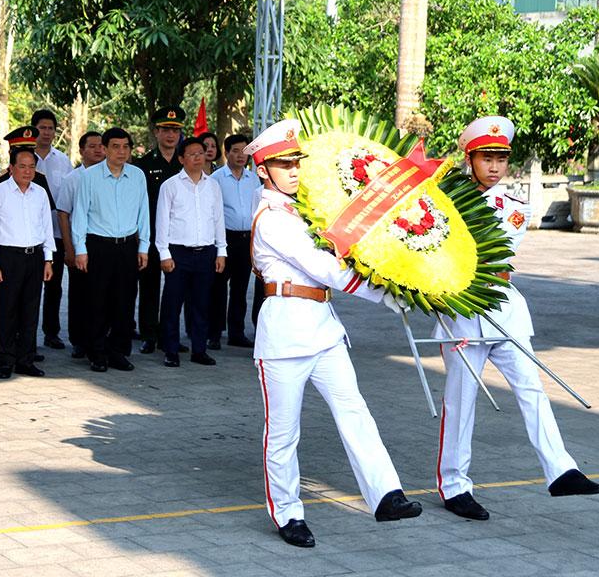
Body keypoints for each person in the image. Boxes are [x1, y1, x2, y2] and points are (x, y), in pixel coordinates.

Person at [247, 119, 422, 548]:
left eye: (296, 163)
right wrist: (384, 291)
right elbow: (324, 267)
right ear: (263, 170)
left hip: (323, 329)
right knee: (283, 433)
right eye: (283, 164)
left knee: (354, 410)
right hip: (285, 332)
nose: (293, 170)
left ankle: (386, 494)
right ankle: (288, 513)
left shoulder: (301, 209)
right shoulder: (273, 219)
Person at [434, 116, 599, 520]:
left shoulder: (512, 207)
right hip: (462, 312)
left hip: (502, 308)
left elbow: (486, 249)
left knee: (531, 388)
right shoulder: (442, 201)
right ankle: (454, 486)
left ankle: (560, 470)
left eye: (501, 159)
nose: (494, 167)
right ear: (469, 159)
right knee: (460, 402)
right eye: (486, 158)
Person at [71, 127, 150, 373]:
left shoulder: (137, 175)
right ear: (104, 149)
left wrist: (144, 246)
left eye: (126, 146)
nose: (121, 152)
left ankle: (118, 351)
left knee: (124, 301)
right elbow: (80, 213)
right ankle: (96, 352)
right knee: (97, 301)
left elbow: (144, 212)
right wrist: (80, 249)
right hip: (98, 245)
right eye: (115, 146)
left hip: (127, 246)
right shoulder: (89, 176)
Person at [0, 136, 55, 379]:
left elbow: (46, 228)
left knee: (30, 310)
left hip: (34, 256)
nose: (27, 171)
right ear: (11, 168)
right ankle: (6, 361)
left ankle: (26, 359)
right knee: (8, 310)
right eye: (22, 166)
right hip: (9, 257)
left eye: (31, 166)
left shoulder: (40, 193)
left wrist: (48, 259)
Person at [156, 136, 226, 367]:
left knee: (201, 304)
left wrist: (221, 251)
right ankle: (170, 350)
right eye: (192, 154)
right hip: (178, 253)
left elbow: (218, 219)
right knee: (172, 304)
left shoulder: (213, 185)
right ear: (181, 159)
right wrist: (164, 253)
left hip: (206, 252)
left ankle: (199, 350)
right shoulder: (170, 186)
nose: (198, 157)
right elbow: (162, 221)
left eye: (201, 153)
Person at [133, 106, 184, 354]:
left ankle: (169, 335)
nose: (171, 135)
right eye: (166, 129)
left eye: (175, 130)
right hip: (152, 234)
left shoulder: (185, 163)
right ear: (156, 132)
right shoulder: (143, 164)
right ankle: (149, 334)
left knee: (176, 289)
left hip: (179, 236)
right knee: (149, 286)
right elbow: (139, 203)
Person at [55, 130, 105, 360]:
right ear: (81, 150)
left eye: (101, 146)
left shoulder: (110, 176)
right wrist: (69, 248)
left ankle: (101, 337)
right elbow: (63, 214)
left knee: (102, 294)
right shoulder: (73, 179)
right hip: (79, 245)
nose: (98, 150)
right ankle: (79, 340)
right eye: (92, 146)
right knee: (80, 295)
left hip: (104, 245)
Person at [29, 109, 72, 351]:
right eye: (42, 128)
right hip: (30, 235)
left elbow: (68, 197)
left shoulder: (63, 161)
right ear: (33, 129)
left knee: (54, 286)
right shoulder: (24, 157)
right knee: (30, 288)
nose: (46, 132)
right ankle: (26, 336)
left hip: (56, 233)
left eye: (51, 128)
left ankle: (51, 332)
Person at [210, 134, 258, 350]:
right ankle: (214, 333)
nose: (241, 156)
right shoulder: (216, 178)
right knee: (218, 288)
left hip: (246, 240)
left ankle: (236, 333)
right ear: (226, 152)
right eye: (236, 151)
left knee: (240, 288)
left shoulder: (253, 179)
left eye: (244, 151)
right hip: (224, 239)